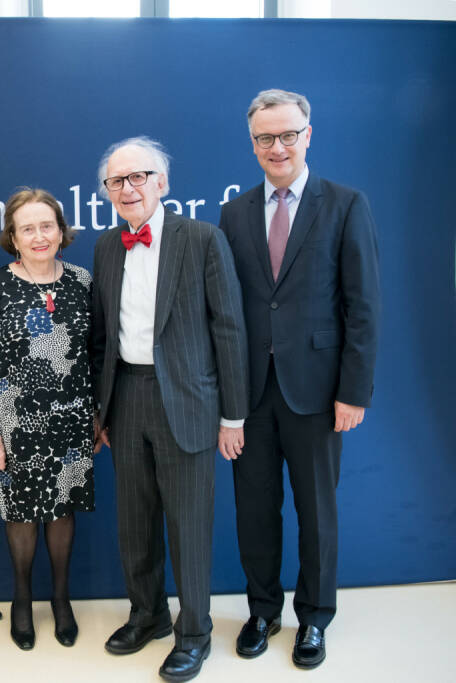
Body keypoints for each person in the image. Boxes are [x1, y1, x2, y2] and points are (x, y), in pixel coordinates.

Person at [218, 89, 380, 670]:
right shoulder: (234, 213)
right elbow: (228, 310)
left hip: (317, 392)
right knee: (254, 512)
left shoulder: (345, 204)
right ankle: (262, 612)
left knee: (317, 513)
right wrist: (227, 401)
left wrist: (353, 391)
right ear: (252, 144)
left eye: (288, 135)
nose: (278, 147)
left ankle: (314, 617)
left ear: (308, 135)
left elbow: (363, 307)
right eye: (265, 138)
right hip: (251, 394)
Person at [90, 137, 248, 682]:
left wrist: (233, 415)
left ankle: (195, 632)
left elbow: (229, 328)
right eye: (117, 181)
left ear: (162, 182)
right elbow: (101, 337)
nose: (128, 188)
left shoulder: (201, 239)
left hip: (188, 401)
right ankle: (147, 614)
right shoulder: (106, 246)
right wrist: (101, 410)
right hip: (126, 397)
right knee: (134, 521)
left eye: (138, 176)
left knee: (188, 525)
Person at [0, 189, 94, 651]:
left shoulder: (81, 281)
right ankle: (22, 599)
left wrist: (99, 416)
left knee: (62, 509)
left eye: (47, 226)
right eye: (27, 229)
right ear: (13, 238)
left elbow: (96, 354)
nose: (39, 236)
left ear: (60, 231)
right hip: (14, 425)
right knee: (20, 513)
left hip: (72, 420)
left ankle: (61, 599)